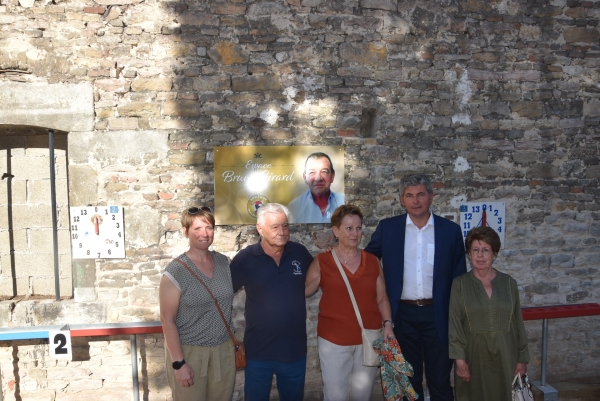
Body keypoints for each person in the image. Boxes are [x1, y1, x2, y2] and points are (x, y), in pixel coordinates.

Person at [364, 174, 466, 401]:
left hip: (438, 314)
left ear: (431, 197)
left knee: (440, 381)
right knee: (408, 383)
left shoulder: (450, 231)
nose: (415, 200)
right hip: (402, 316)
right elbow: (366, 261)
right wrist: (338, 253)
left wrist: (459, 320)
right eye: (409, 196)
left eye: (421, 194)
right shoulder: (388, 229)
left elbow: (460, 280)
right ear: (402, 200)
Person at [306, 204, 395, 401]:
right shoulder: (323, 261)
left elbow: (382, 298)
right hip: (333, 342)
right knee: (335, 395)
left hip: (368, 339)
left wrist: (388, 324)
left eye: (358, 228)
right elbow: (304, 290)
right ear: (335, 231)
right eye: (349, 228)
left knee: (362, 395)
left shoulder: (372, 261)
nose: (355, 233)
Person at [230, 203, 313, 401]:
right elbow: (224, 292)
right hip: (258, 352)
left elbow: (316, 281)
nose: (282, 232)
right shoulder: (245, 258)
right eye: (275, 227)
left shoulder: (300, 253)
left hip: (294, 351)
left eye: (285, 226)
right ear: (260, 228)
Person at [159, 206, 235, 401]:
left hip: (223, 351)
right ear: (185, 232)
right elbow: (167, 320)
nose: (204, 234)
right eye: (197, 229)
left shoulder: (223, 263)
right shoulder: (175, 272)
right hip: (189, 353)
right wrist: (179, 363)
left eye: (209, 228)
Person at [449, 226, 530, 401]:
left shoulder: (509, 284)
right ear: (469, 253)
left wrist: (522, 359)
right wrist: (459, 361)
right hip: (473, 358)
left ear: (494, 254)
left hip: (505, 357)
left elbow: (518, 324)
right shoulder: (460, 285)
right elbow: (454, 326)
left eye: (486, 250)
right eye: (475, 250)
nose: (480, 255)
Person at [288, 152, 345, 223]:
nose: (318, 178)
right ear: (305, 178)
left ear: (332, 176)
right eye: (312, 172)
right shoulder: (294, 208)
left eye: (324, 172)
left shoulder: (345, 203)